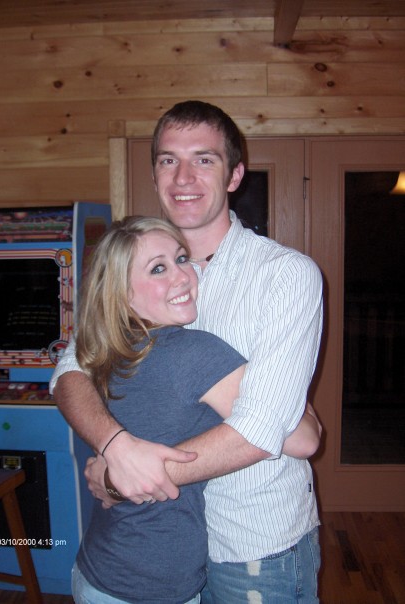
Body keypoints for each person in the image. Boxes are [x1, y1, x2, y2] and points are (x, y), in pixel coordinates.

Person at [51, 100, 324, 603]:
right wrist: (115, 445)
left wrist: (122, 481)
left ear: (234, 174)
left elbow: (263, 429)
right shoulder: (133, 261)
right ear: (154, 174)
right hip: (160, 551)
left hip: (253, 541)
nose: (183, 177)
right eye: (168, 160)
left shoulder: (283, 275)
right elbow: (70, 369)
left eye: (204, 159)